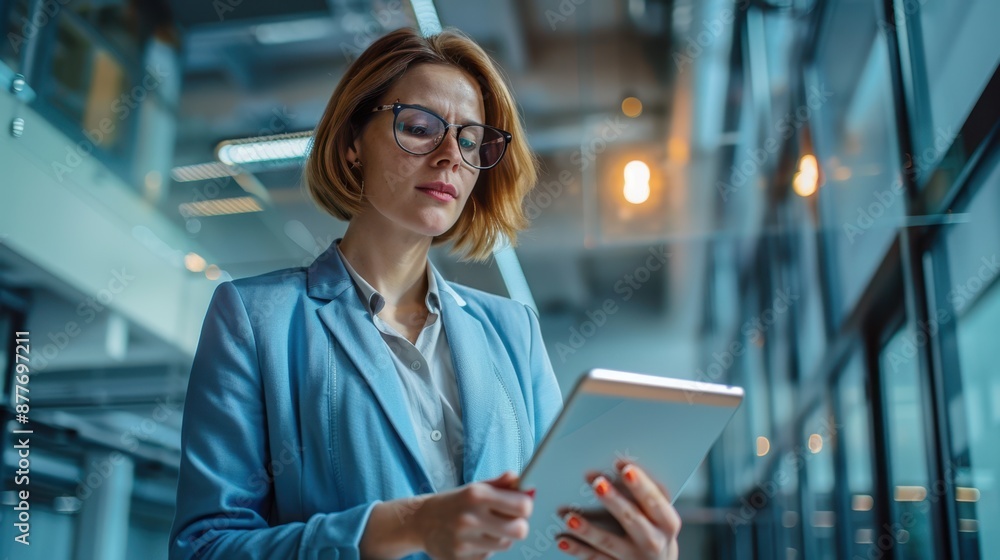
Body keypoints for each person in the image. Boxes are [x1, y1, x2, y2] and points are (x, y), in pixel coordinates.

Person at [169, 27, 681, 560]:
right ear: (351, 145)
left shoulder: (514, 331)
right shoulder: (257, 320)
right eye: (419, 127)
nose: (449, 158)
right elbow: (204, 549)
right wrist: (402, 526)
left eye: (468, 141)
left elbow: (546, 540)